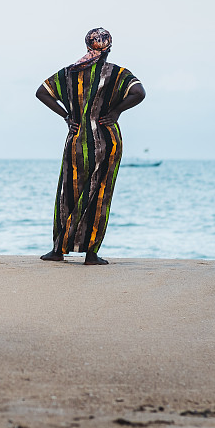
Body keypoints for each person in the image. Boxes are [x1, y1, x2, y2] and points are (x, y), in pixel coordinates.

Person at [36, 28, 145, 265]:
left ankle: (58, 250)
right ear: (109, 48)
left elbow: (42, 92)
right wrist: (116, 111)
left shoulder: (68, 74)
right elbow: (139, 92)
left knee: (68, 193)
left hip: (76, 139)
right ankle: (91, 254)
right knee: (99, 194)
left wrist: (66, 116)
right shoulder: (117, 74)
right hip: (107, 142)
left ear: (87, 46)